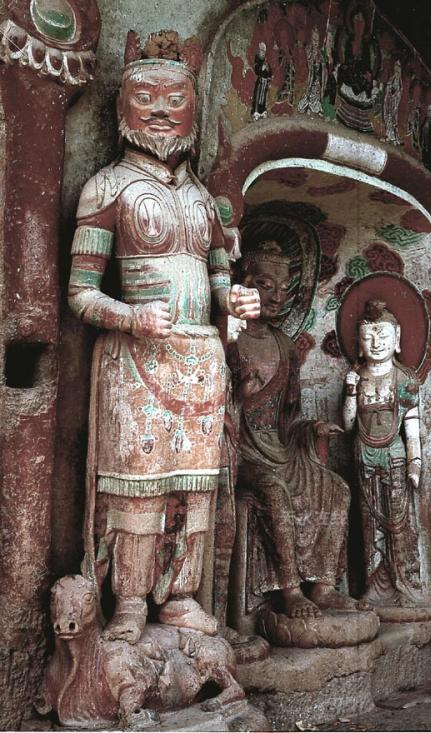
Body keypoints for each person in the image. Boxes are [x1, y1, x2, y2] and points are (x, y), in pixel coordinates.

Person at [68, 29, 260, 643]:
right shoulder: (107, 188)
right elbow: (80, 293)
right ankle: (128, 602)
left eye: (175, 100)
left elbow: (220, 279)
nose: (159, 110)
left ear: (193, 112)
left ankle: (178, 596)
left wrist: (236, 299)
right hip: (136, 360)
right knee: (139, 490)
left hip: (199, 360)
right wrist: (132, 317)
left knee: (195, 491)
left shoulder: (206, 202)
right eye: (144, 97)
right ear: (121, 108)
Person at [228, 241, 354, 620]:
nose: (276, 297)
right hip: (241, 452)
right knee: (274, 490)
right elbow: (207, 406)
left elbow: (289, 418)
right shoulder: (228, 337)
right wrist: (238, 395)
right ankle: (290, 591)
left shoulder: (284, 346)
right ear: (243, 283)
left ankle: (324, 586)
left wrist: (311, 428)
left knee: (337, 488)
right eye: (265, 286)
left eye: (284, 289)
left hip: (281, 451)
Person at [343, 299, 423, 608]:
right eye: (369, 337)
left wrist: (415, 463)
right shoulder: (357, 376)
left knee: (400, 523)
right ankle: (375, 588)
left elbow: (412, 426)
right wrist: (350, 391)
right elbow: (348, 425)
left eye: (384, 336)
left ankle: (406, 584)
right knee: (368, 525)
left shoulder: (404, 379)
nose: (376, 344)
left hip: (395, 456)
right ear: (359, 344)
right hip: (364, 456)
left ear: (397, 338)